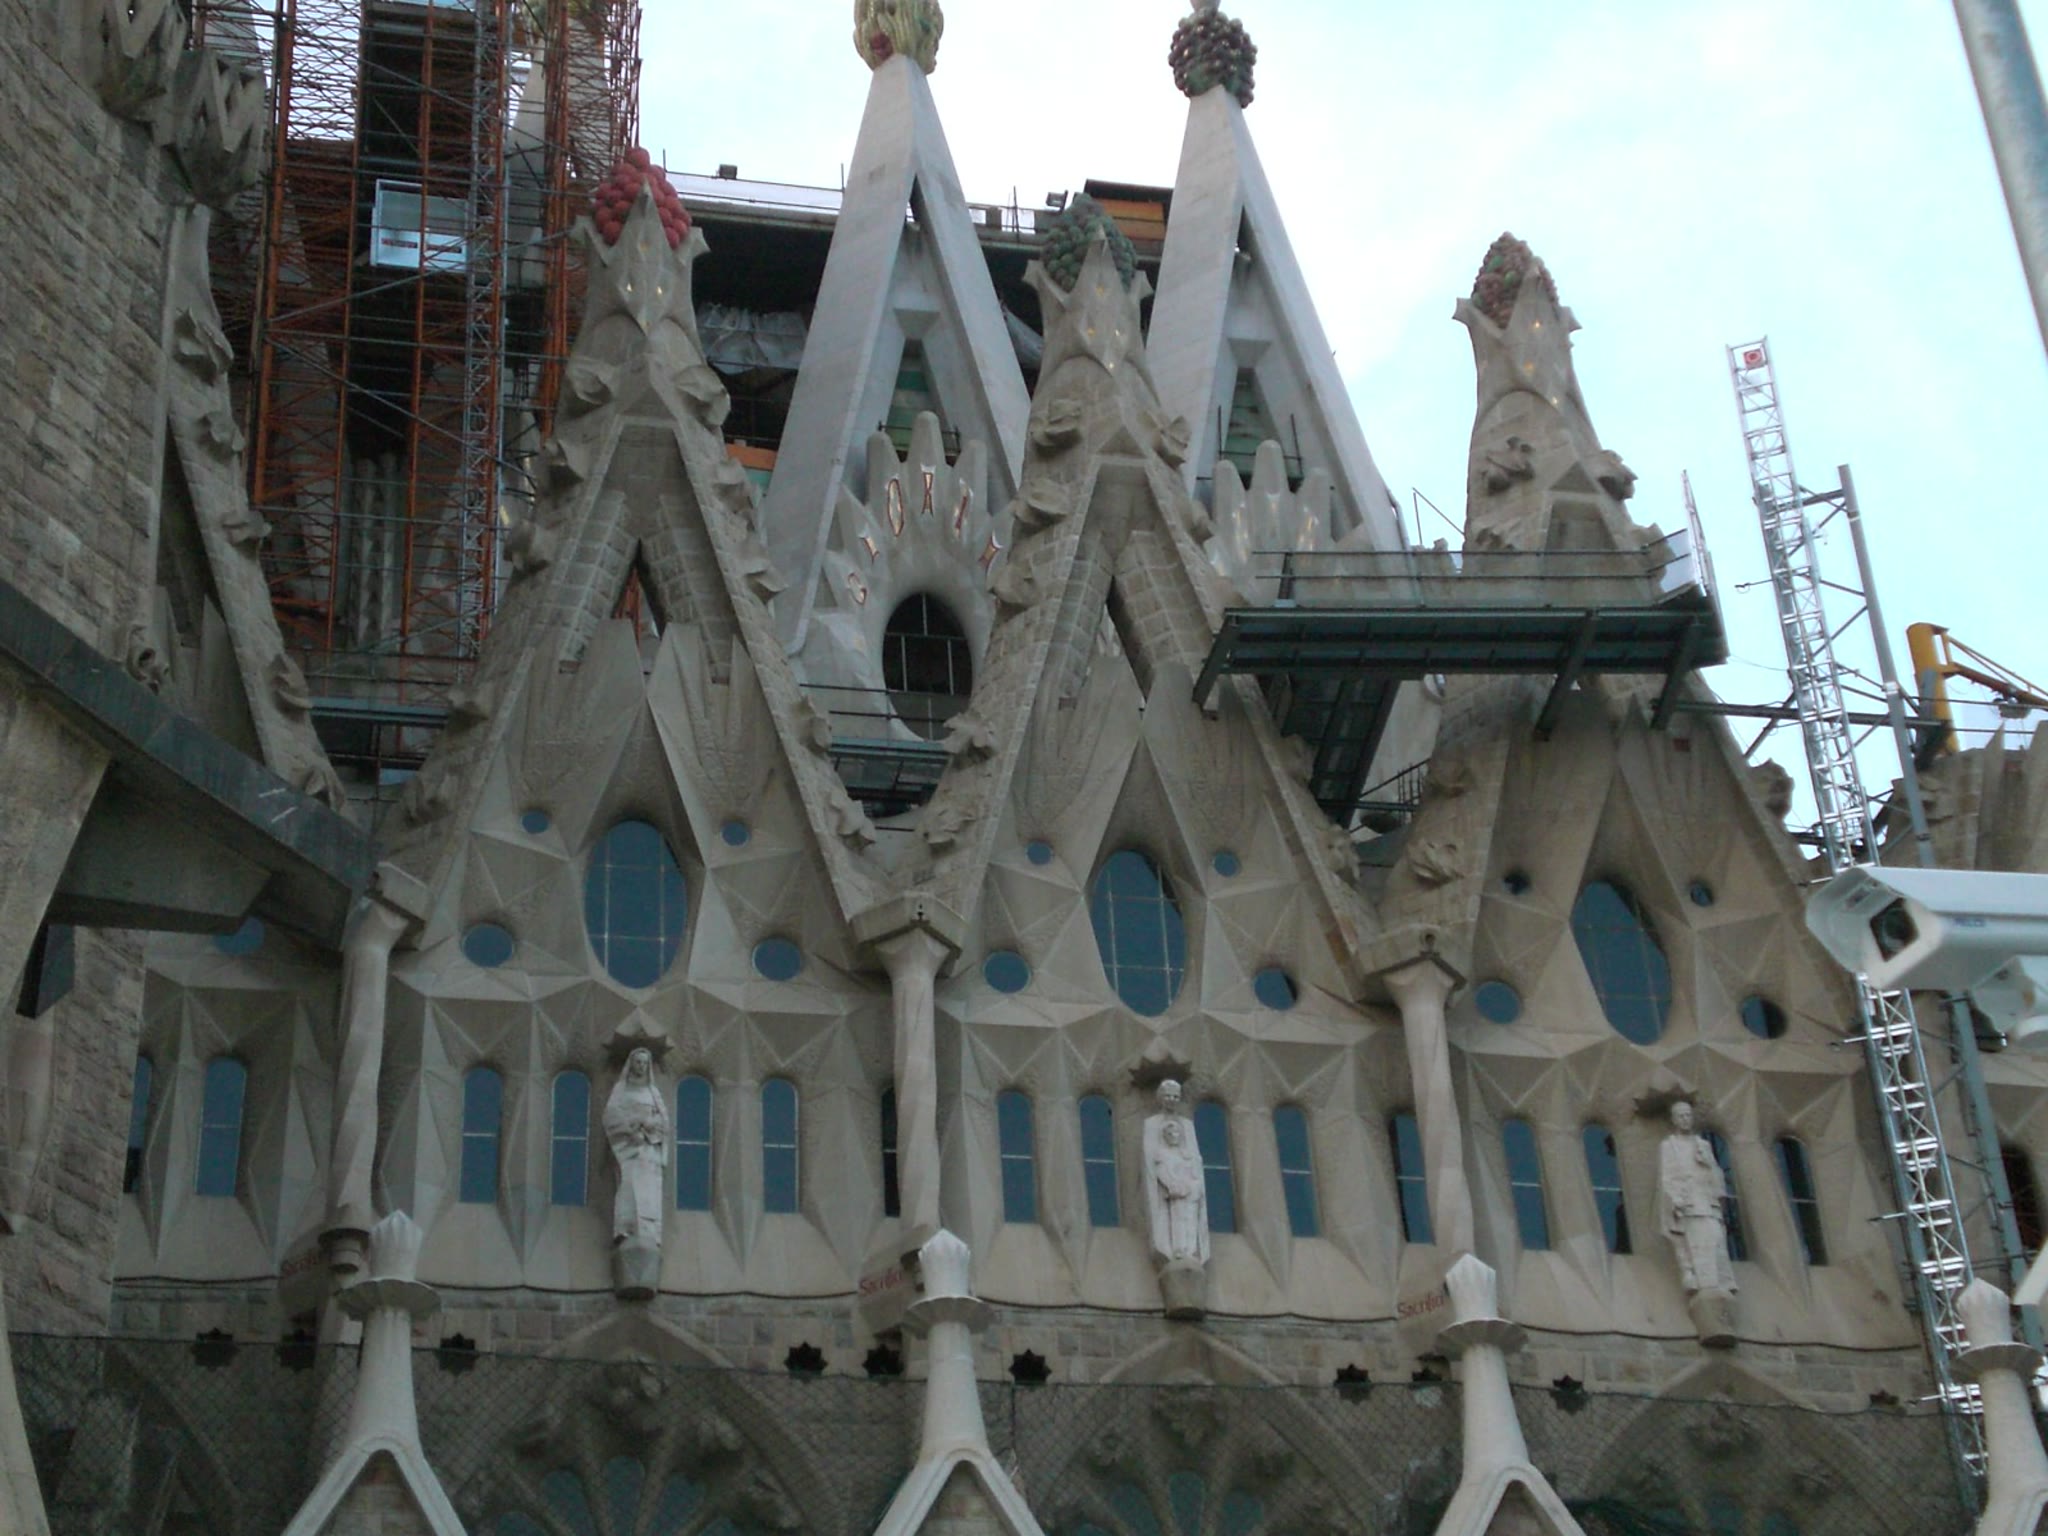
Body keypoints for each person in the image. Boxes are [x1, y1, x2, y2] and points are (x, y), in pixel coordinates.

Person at [1657, 1101, 1736, 1295]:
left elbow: (1717, 1175)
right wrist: (1675, 1198)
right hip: (1687, 1201)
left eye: (1688, 1115)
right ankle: (1698, 1279)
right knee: (1695, 1241)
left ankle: (1724, 1281)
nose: (1686, 1119)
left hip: (1707, 1200)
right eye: (1681, 1116)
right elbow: (1666, 1177)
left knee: (1716, 1238)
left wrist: (1708, 1164)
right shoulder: (1669, 1146)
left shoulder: (1703, 1145)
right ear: (1674, 1120)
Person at [604, 1048, 670, 1256]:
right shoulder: (621, 1089)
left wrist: (650, 1125)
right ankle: (626, 1228)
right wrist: (630, 1129)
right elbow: (611, 1115)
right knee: (628, 1185)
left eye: (644, 1063)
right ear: (631, 1063)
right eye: (638, 1062)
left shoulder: (653, 1092)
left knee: (648, 1190)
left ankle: (649, 1232)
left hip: (648, 1147)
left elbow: (664, 1121)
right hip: (629, 1148)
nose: (641, 1066)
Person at [1142, 1079, 1209, 1267]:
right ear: (1160, 1098)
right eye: (1168, 1096)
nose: (1171, 1100)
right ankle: (1178, 1249)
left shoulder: (1186, 1129)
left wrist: (1193, 1185)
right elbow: (1157, 1167)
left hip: (1189, 1192)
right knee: (1178, 1221)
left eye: (1175, 1096)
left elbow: (1194, 1164)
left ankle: (1191, 1249)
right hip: (1175, 1192)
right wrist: (1173, 1185)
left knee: (1190, 1221)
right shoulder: (1153, 1128)